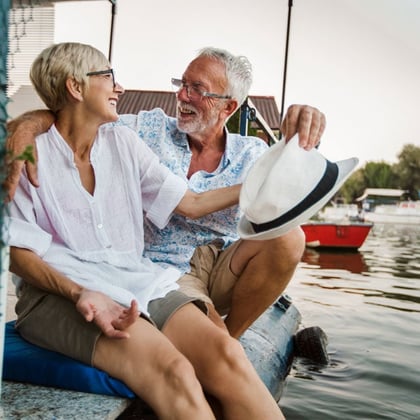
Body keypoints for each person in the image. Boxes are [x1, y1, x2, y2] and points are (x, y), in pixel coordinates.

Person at [6, 42, 285, 419]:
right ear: (76, 88)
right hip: (58, 292)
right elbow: (15, 251)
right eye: (109, 77)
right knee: (176, 371)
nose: (119, 88)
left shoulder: (123, 140)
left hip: (137, 279)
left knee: (228, 356)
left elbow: (191, 203)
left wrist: (265, 183)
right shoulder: (26, 157)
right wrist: (80, 292)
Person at [5, 47, 326, 338]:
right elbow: (76, 114)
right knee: (205, 334)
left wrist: (302, 135)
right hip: (163, 270)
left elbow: (297, 186)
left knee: (290, 237)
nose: (182, 96)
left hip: (225, 265)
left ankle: (233, 338)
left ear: (228, 106)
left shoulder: (253, 153)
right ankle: (218, 350)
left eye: (196, 89)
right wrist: (27, 125)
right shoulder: (142, 129)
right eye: (181, 84)